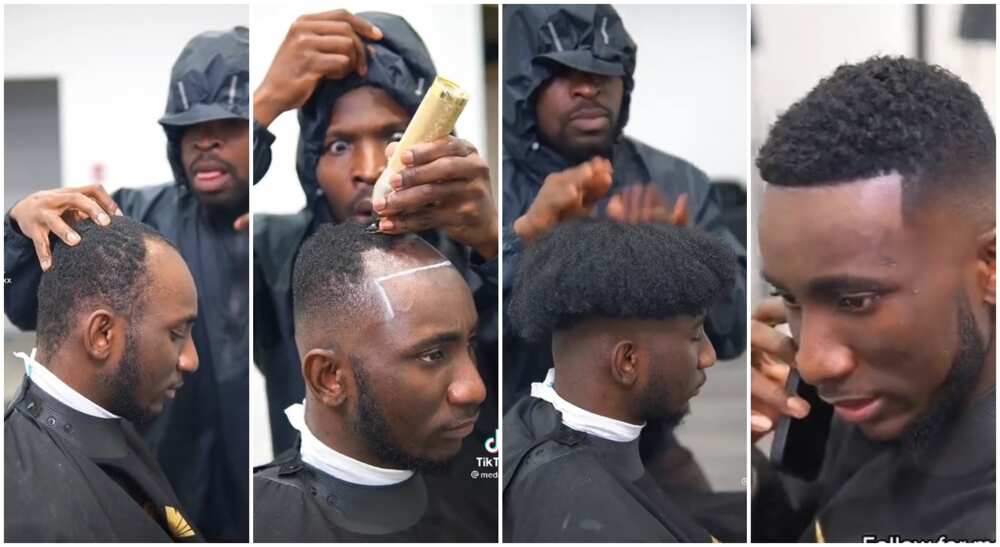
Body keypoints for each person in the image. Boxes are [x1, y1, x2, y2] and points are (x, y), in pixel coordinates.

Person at [4, 27, 250, 540]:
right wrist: (17, 232)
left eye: (228, 125)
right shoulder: (133, 220)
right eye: (189, 128)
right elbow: (36, 310)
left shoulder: (279, 236)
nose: (205, 140)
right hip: (145, 478)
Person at [751, 56, 995, 542]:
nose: (815, 364)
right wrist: (754, 477)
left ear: (989, 265)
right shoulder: (842, 407)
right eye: (789, 298)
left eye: (855, 301)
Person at [252, 10, 498, 477]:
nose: (367, 167)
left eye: (396, 135)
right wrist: (261, 107)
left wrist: (494, 247)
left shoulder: (473, 250)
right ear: (311, 164)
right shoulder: (272, 254)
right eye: (339, 145)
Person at [501, 4, 747, 410]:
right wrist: (526, 243)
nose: (588, 88)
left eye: (604, 69)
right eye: (562, 72)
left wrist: (682, 264)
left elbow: (735, 333)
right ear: (524, 86)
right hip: (517, 427)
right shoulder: (490, 190)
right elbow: (473, 335)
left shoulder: (678, 183)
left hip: (646, 436)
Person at [254, 222, 496, 542]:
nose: (475, 388)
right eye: (433, 355)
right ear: (329, 378)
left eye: (471, 343)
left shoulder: (491, 483)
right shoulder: (261, 526)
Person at [503, 219, 740, 542]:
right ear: (627, 361)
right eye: (696, 335)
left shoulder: (526, 422)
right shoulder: (583, 520)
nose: (709, 356)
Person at [5, 217, 201, 541]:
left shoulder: (110, 414)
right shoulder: (30, 516)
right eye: (176, 334)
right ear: (102, 335)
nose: (191, 360)